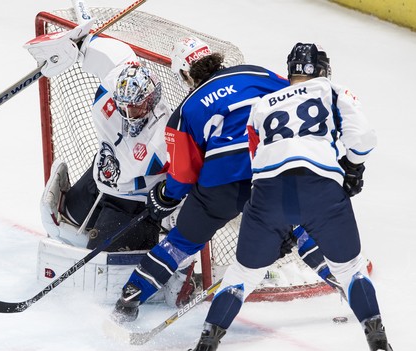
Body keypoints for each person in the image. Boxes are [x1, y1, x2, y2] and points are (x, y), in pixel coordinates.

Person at [184, 43, 393, 351]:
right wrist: (352, 169)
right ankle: (376, 335)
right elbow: (363, 138)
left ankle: (205, 346)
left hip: (268, 195)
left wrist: (275, 226)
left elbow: (257, 159)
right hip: (321, 189)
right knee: (351, 269)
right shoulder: (332, 90)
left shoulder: (263, 104)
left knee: (241, 276)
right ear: (323, 70)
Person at [111, 37, 293, 322]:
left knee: (180, 241)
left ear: (185, 72)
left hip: (222, 186)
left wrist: (165, 197)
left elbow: (183, 175)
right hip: (271, 169)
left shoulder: (186, 110)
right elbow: (298, 96)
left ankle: (128, 300)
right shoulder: (255, 73)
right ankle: (343, 277)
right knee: (305, 222)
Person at [37, 34, 171, 252]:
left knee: (102, 260)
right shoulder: (117, 80)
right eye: (123, 105)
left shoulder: (162, 139)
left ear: (151, 100)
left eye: (135, 108)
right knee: (66, 220)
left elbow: (184, 172)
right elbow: (110, 53)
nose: (128, 113)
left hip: (130, 203)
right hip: (99, 174)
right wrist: (75, 46)